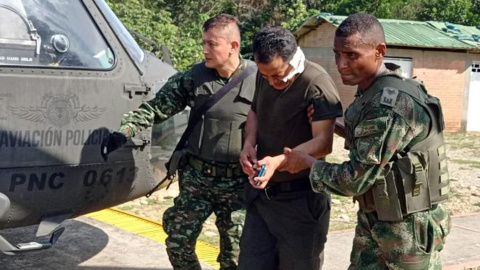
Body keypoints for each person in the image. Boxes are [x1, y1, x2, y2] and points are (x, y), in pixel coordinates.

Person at [284, 13, 451, 270]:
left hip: (408, 229)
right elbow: (383, 146)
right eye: (337, 54)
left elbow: (355, 179)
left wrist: (308, 164)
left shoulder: (390, 103)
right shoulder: (373, 92)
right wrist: (338, 126)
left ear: (379, 51)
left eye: (351, 55)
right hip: (377, 219)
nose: (341, 64)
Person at [101, 14, 256, 270]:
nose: (204, 49)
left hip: (238, 183)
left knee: (235, 257)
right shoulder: (194, 77)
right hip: (197, 179)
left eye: (211, 44)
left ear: (233, 46)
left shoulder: (258, 79)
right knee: (178, 243)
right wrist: (125, 131)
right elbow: (156, 108)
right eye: (203, 43)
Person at [238, 26, 343, 270]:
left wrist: (277, 162)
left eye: (278, 75)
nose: (272, 82)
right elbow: (255, 110)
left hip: (300, 202)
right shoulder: (264, 73)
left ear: (293, 59)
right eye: (265, 76)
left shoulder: (316, 84)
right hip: (263, 200)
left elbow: (323, 143)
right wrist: (248, 144)